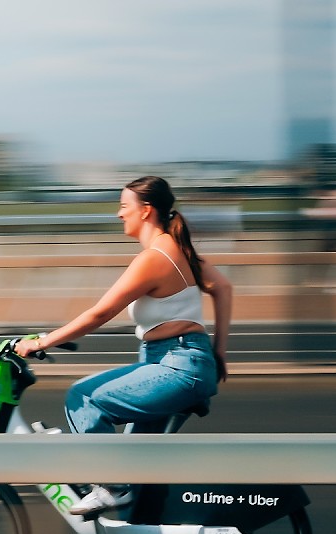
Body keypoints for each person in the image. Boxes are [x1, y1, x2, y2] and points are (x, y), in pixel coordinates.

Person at [15, 176, 232, 516]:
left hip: (175, 367)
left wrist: (41, 341)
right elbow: (224, 287)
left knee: (83, 397)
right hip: (182, 362)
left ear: (146, 211)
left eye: (123, 206)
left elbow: (100, 313)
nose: (119, 214)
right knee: (137, 468)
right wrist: (217, 352)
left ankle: (110, 485)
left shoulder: (155, 257)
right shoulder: (181, 252)